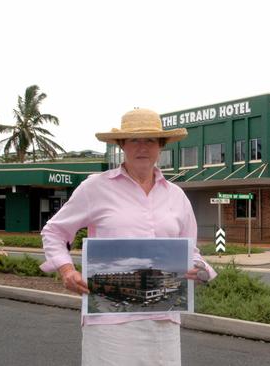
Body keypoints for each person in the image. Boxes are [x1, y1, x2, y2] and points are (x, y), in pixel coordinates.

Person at [40, 108, 217, 366]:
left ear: (161, 146)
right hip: (110, 321)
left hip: (163, 320)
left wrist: (200, 269)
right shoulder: (95, 188)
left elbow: (191, 252)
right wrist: (67, 270)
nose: (142, 147)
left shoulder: (177, 196)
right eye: (134, 140)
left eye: (150, 140)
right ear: (122, 144)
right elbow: (54, 231)